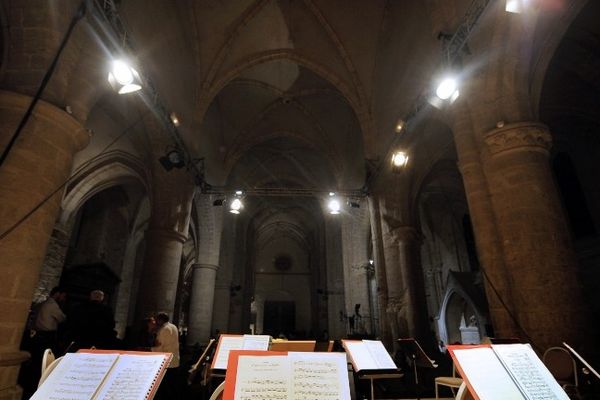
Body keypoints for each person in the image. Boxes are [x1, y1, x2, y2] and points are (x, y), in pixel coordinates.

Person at [151, 312, 180, 399]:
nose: (156, 322)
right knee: (172, 385)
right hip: (174, 360)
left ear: (160, 320)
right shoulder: (173, 326)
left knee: (166, 388)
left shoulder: (165, 329)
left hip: (167, 362)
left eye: (157, 320)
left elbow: (160, 347)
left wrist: (151, 349)